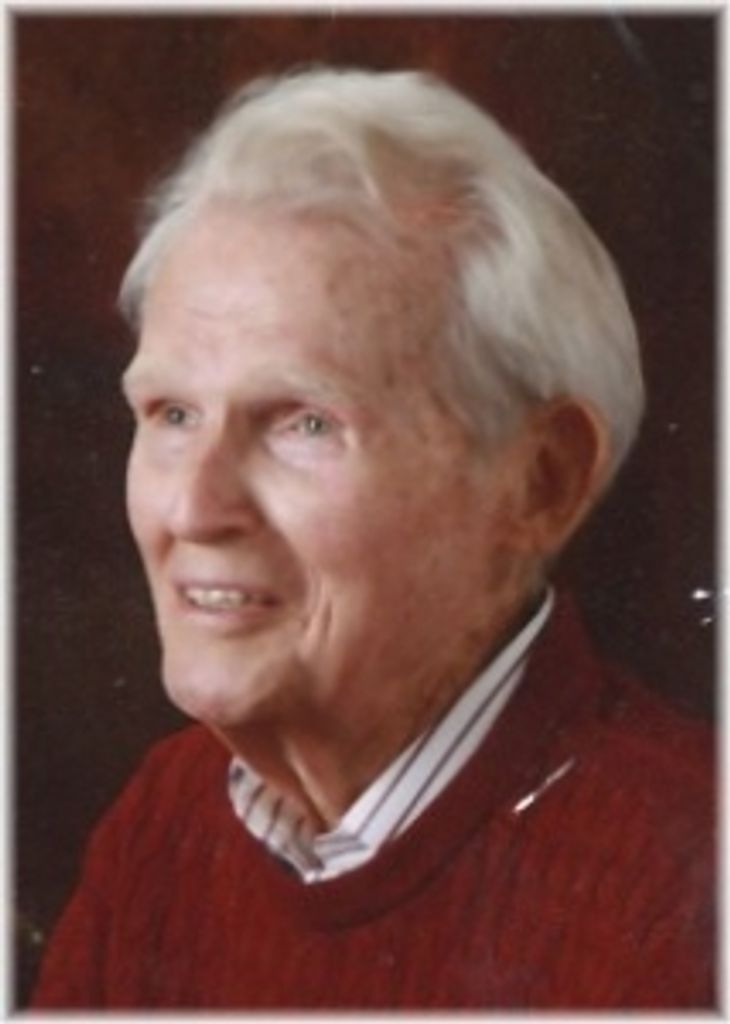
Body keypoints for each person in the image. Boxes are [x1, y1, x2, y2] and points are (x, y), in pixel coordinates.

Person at [31, 66, 713, 1010]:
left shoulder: (689, 887)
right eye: (173, 414)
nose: (192, 508)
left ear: (540, 481)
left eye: (304, 423)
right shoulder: (168, 818)